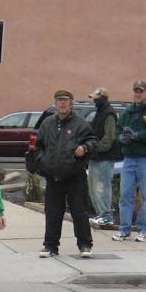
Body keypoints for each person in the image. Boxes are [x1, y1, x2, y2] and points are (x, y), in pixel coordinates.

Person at [34, 89, 96, 258]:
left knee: (79, 211)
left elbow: (93, 141)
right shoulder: (47, 124)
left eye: (65, 100)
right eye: (59, 100)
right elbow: (38, 146)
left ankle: (85, 245)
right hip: (54, 176)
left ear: (71, 103)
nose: (62, 103)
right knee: (53, 212)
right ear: (55, 103)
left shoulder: (80, 123)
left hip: (75, 176)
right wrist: (43, 161)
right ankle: (50, 246)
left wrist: (85, 148)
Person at [113, 80, 146, 242]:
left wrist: (138, 136)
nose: (138, 94)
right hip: (129, 159)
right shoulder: (128, 112)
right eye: (136, 91)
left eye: (140, 91)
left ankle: (143, 230)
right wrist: (121, 138)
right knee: (125, 195)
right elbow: (118, 130)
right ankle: (124, 229)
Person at [86, 87, 121, 228]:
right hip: (95, 157)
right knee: (93, 187)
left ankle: (106, 215)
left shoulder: (109, 114)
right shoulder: (99, 112)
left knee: (102, 187)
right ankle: (100, 213)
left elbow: (108, 139)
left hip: (104, 158)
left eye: (96, 98)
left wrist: (95, 148)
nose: (94, 100)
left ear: (103, 99)